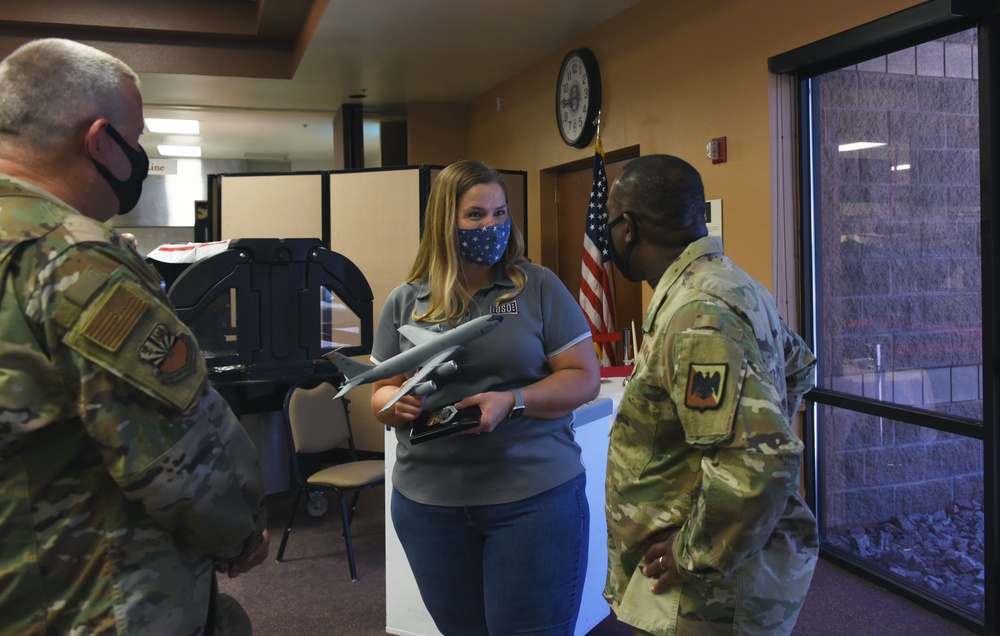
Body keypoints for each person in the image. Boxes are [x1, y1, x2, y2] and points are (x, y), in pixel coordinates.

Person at [0, 39, 268, 634]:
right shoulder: (70, 258)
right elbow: (177, 457)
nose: (139, 155)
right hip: (91, 598)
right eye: (137, 138)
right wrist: (240, 530)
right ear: (99, 142)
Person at [372, 159, 601, 636]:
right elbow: (380, 393)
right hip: (429, 507)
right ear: (444, 222)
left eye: (500, 213)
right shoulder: (405, 300)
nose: (492, 226)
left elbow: (583, 379)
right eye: (475, 215)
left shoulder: (536, 286)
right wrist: (395, 403)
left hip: (532, 498)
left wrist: (513, 399)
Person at [603, 154, 818, 636]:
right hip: (716, 571)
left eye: (611, 224)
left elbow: (762, 461)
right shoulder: (729, 281)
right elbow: (799, 365)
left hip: (706, 595)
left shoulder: (697, 312)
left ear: (629, 229)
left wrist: (693, 552)